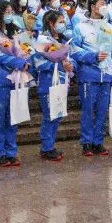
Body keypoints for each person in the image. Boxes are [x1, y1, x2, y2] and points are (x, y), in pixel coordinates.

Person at [72, 0, 112, 157]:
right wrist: (93, 57)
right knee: (88, 110)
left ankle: (98, 142)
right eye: (101, 3)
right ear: (92, 6)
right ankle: (86, 142)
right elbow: (74, 50)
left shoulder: (110, 28)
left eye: (106, 3)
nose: (104, 6)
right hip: (89, 74)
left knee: (101, 110)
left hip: (106, 74)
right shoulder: (81, 27)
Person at [0, 0, 29, 168]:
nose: (10, 15)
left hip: (16, 79)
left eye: (11, 12)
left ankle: (11, 152)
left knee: (13, 118)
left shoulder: (14, 32)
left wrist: (26, 59)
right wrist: (16, 62)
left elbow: (25, 49)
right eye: (7, 12)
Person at [32, 10, 72, 161]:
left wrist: (70, 65)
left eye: (64, 22)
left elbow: (71, 57)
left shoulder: (64, 40)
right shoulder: (42, 40)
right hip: (47, 83)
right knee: (50, 115)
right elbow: (39, 63)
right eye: (60, 22)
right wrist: (58, 65)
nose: (63, 25)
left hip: (62, 82)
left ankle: (51, 145)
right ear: (51, 23)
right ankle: (46, 147)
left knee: (58, 115)